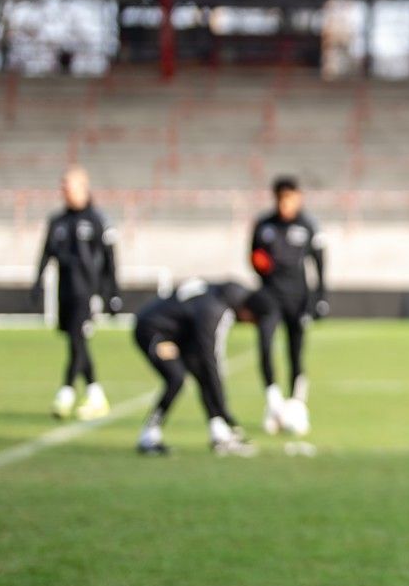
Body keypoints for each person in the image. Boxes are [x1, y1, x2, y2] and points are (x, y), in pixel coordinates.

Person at [130, 278, 268, 457]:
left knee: (201, 373)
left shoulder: (221, 295)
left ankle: (219, 432)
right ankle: (148, 436)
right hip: (153, 329)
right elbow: (210, 358)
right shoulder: (216, 311)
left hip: (179, 333)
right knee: (176, 378)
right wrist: (225, 410)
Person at [33, 165, 121, 420]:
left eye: (68, 186)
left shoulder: (98, 220)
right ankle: (80, 393)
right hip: (65, 292)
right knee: (75, 341)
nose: (64, 191)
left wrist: (112, 293)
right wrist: (37, 282)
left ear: (83, 188)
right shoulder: (57, 221)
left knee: (77, 340)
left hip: (88, 292)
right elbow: (45, 253)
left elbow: (110, 259)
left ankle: (76, 393)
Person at [249, 176, 328, 435]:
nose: (287, 204)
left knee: (295, 353)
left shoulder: (308, 226)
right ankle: (274, 404)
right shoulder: (264, 225)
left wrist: (320, 297)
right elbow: (253, 256)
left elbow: (319, 262)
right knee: (265, 346)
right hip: (270, 297)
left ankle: (296, 406)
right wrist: (261, 266)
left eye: (291, 198)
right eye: (282, 199)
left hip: (298, 298)